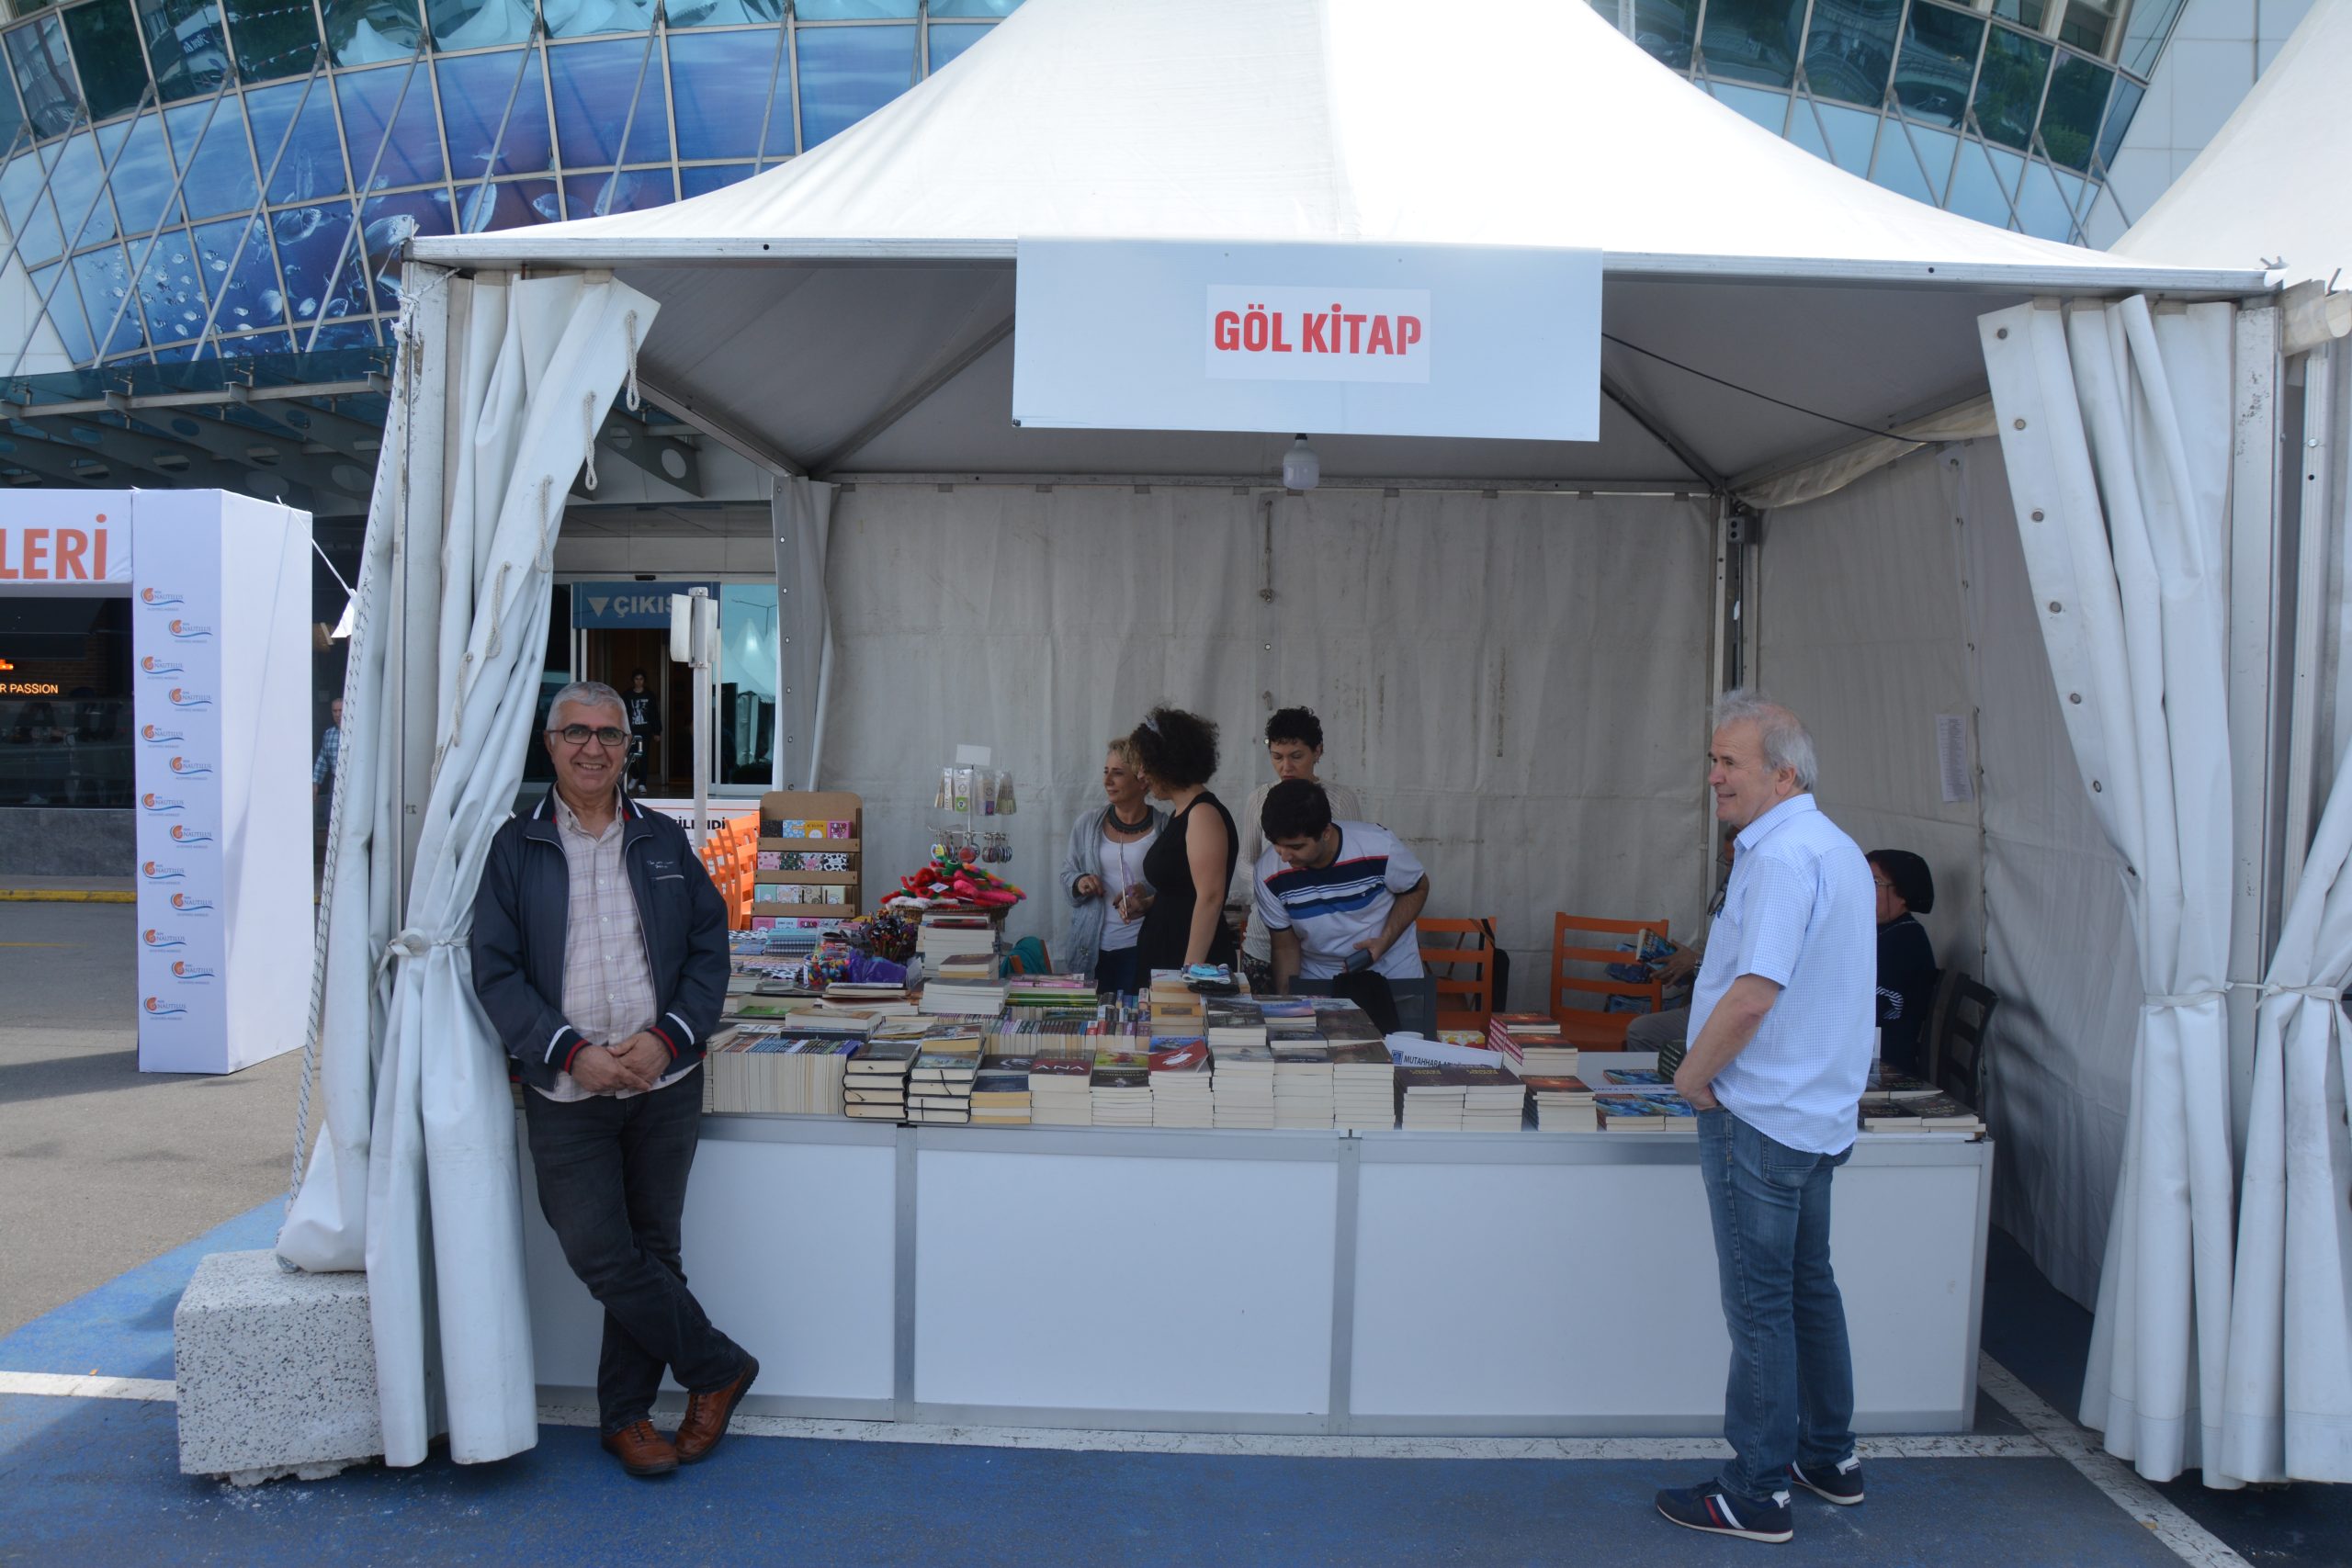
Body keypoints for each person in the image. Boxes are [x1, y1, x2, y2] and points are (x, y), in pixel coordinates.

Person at [470, 680, 758, 1481]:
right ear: (550, 743)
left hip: (663, 1083)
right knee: (600, 1250)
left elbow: (708, 952)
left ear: (628, 747)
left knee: (654, 1248)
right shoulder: (514, 846)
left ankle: (626, 1418)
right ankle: (718, 1366)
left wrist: (668, 1039)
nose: (592, 747)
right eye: (576, 732)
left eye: (609, 733)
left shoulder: (662, 840)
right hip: (568, 1087)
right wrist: (569, 1051)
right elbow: (495, 972)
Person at [1656, 690, 1874, 1545]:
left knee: (1760, 1304)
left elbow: (1753, 994)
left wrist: (1692, 1077)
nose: (1714, 776)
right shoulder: (1835, 847)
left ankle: (1756, 1488)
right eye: (1712, 760)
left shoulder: (1781, 857)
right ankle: (1829, 1456)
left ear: (1783, 774)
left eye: (1729, 762)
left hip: (1762, 1112)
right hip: (1813, 1113)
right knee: (1808, 1288)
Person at [1253, 780, 1429, 1033]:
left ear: (1325, 832)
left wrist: (1384, 940)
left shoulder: (1378, 846)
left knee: (1401, 1055)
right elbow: (1285, 947)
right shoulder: (1268, 871)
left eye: (1296, 846)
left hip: (1394, 979)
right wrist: (1286, 1007)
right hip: (1319, 988)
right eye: (1276, 844)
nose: (1284, 856)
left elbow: (1417, 888)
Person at [1231, 707, 1363, 990]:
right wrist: (1274, 891)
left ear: (1318, 751)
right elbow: (1245, 861)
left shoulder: (1341, 800)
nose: (1286, 767)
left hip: (1323, 945)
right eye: (1277, 757)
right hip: (1264, 940)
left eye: (1296, 756)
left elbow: (1352, 863)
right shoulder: (1259, 799)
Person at [1127, 705, 1239, 976]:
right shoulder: (1183, 814)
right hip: (1166, 951)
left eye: (1145, 765)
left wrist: (1190, 971)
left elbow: (1210, 897)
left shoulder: (1202, 814)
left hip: (1187, 957)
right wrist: (1147, 904)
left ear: (1168, 763)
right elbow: (1183, 890)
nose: (1140, 775)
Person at [1059, 738, 1169, 998]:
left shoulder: (1165, 827)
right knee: (1091, 1018)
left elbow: (1176, 889)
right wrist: (1080, 882)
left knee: (1137, 1015)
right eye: (1106, 772)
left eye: (1118, 773)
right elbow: (1066, 875)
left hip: (1141, 948)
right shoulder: (1087, 824)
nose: (1107, 781)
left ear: (1142, 781)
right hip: (1090, 948)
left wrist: (1145, 892)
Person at [1625, 829, 1736, 1073]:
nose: (1728, 872)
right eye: (1727, 863)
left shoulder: (1762, 900)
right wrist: (1681, 966)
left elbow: (1743, 973)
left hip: (1726, 1012)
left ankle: (1668, 1089)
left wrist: (1695, 963)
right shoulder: (1732, 897)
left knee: (1642, 1031)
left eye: (1733, 863)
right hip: (1706, 1005)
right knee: (1643, 1029)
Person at [1868, 850, 1939, 1078]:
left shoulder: (1906, 938)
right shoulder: (1883, 930)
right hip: (1867, 1047)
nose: (1865, 889)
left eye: (1875, 883)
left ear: (1903, 892)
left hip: (1887, 1057)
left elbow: (1877, 1008)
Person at [623, 669, 662, 793]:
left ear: (644, 680)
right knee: (628, 754)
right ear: (633, 680)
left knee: (644, 757)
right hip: (631, 731)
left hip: (645, 730)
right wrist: (624, 730)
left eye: (641, 679)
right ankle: (635, 776)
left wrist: (657, 731)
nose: (639, 681)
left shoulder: (649, 695)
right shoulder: (627, 695)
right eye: (636, 679)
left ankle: (642, 783)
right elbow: (623, 713)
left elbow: (654, 714)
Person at [311, 698, 343, 833]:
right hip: (334, 780)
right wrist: (315, 782)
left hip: (353, 780)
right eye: (334, 711)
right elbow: (322, 759)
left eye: (340, 710)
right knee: (329, 817)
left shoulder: (356, 733)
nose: (338, 714)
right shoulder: (329, 734)